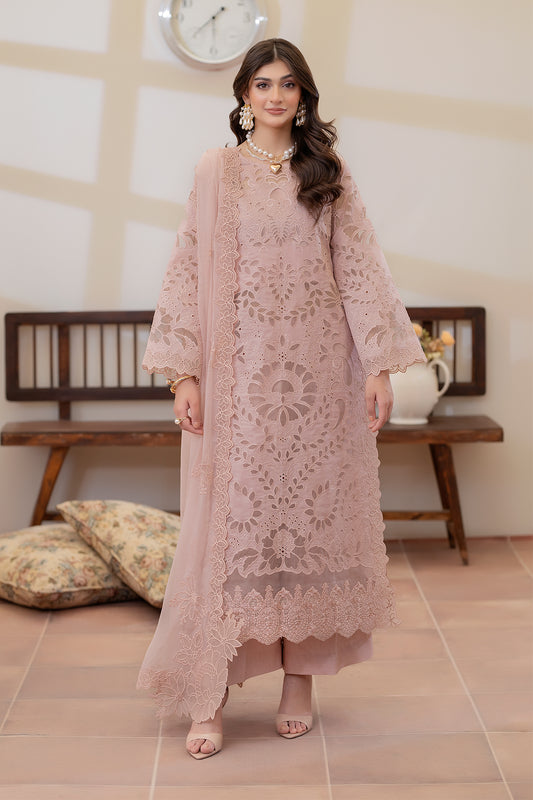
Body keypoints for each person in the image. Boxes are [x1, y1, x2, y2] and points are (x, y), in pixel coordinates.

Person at [137, 38, 424, 760]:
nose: (274, 95)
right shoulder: (216, 172)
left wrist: (379, 367)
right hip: (237, 385)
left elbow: (358, 269)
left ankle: (300, 683)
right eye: (262, 83)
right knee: (229, 536)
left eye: (287, 84)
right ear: (241, 95)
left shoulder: (323, 172)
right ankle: (210, 691)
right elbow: (185, 271)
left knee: (307, 533)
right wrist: (185, 374)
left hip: (316, 382)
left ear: (303, 97)